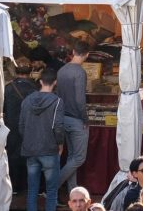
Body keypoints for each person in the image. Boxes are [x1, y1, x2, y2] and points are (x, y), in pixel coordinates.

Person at [19, 66, 65, 211]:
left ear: (40, 81)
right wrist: (60, 143)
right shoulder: (57, 101)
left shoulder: (27, 100)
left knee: (32, 189)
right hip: (49, 148)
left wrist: (27, 140)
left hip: (30, 149)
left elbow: (21, 125)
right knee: (51, 191)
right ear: (55, 82)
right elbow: (58, 126)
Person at [57, 41, 91, 194]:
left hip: (63, 117)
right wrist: (85, 119)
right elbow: (79, 100)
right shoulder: (80, 72)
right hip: (77, 119)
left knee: (72, 157)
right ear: (87, 54)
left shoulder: (62, 70)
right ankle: (53, 185)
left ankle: (73, 192)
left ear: (73, 51)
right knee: (79, 158)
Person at [3, 59, 37, 192]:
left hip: (12, 128)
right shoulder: (36, 87)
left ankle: (14, 186)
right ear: (30, 72)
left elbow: (3, 110)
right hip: (31, 128)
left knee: (12, 156)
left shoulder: (8, 88)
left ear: (16, 71)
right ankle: (28, 186)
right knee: (31, 157)